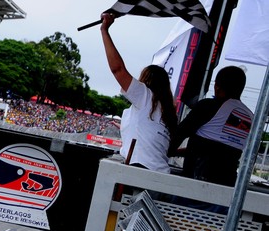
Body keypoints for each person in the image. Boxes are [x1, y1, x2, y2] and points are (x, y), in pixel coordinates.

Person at [100, 12, 178, 173]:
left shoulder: (145, 96)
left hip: (140, 171)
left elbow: (118, 69)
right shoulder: (167, 110)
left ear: (146, 81)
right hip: (161, 173)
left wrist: (104, 30)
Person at [168, 66, 254, 186]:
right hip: (227, 185)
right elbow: (220, 151)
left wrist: (166, 152)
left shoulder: (208, 106)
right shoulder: (250, 117)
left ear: (217, 87)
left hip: (197, 182)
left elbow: (179, 134)